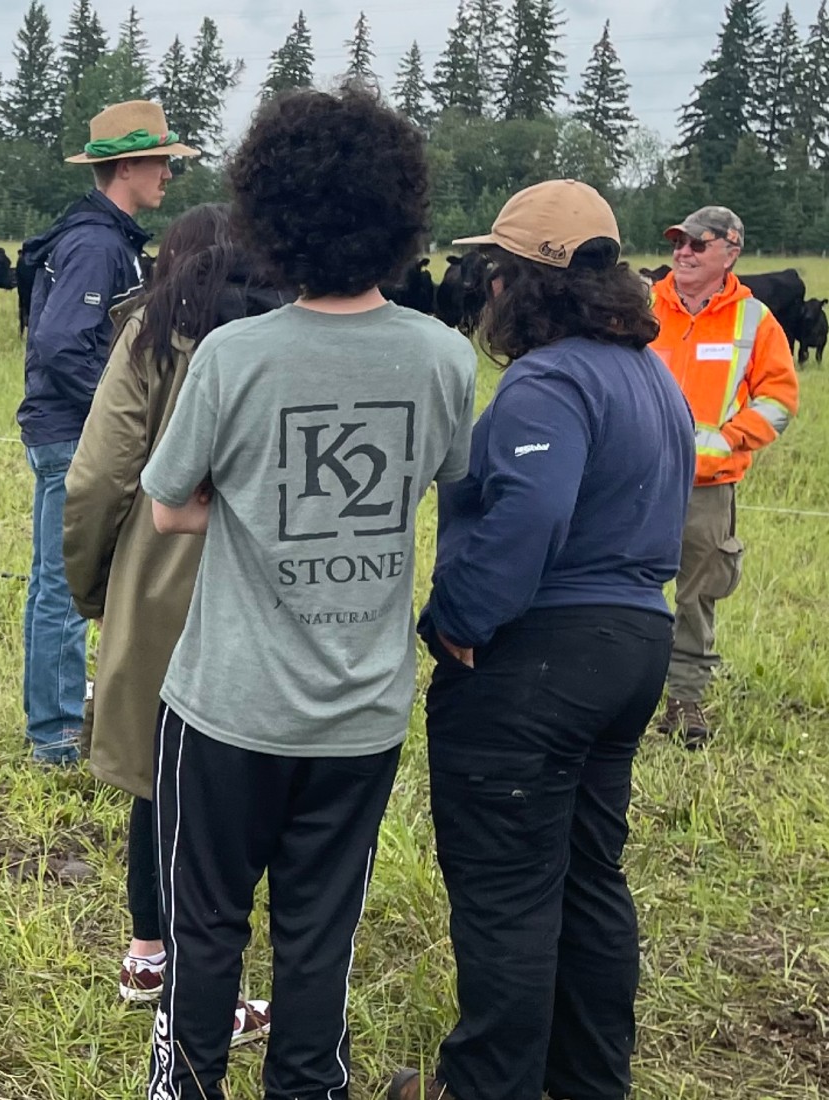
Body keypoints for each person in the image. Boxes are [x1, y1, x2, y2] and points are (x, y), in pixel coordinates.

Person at [137, 88, 476, 1100]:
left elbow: (166, 508)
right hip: (359, 712)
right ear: (397, 217)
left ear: (271, 213)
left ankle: (187, 1084)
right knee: (319, 929)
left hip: (227, 705)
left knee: (203, 924)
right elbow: (437, 485)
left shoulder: (234, 355)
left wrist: (250, 514)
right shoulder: (441, 355)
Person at [385, 182, 692, 1100]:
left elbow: (533, 508)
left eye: (498, 273)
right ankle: (589, 1081)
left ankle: (483, 1088)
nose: (487, 290)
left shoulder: (550, 380)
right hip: (636, 641)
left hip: (540, 661)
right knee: (590, 878)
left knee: (508, 892)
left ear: (533, 281)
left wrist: (459, 621)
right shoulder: (650, 373)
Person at [61, 203, 283, 1039]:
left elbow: (98, 480)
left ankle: (151, 951)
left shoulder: (152, 338)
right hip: (253, 590)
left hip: (156, 589)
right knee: (224, 794)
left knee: (160, 777)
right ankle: (201, 987)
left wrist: (97, 588)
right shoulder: (285, 337)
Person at [18, 99, 194, 766]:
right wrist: (125, 417)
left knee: (57, 583)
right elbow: (64, 344)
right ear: (126, 166)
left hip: (64, 431)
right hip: (74, 435)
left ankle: (60, 722)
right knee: (64, 585)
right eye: (161, 163)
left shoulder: (104, 237)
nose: (169, 176)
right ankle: (57, 735)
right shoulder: (97, 244)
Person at [646, 206, 799, 748]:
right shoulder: (642, 307)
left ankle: (684, 701)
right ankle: (614, 695)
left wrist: (731, 440)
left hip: (707, 488)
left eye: (696, 244)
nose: (682, 252)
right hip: (634, 482)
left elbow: (780, 398)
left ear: (730, 253)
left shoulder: (754, 319)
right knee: (618, 589)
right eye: (678, 243)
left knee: (695, 596)